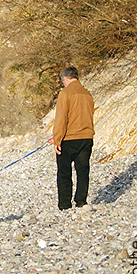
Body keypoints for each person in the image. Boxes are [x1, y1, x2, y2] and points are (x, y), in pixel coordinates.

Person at [49, 66, 95, 210]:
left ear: (66, 79)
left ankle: (65, 205)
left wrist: (57, 139)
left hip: (69, 139)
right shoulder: (87, 94)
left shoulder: (65, 93)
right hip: (86, 137)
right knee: (83, 171)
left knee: (64, 173)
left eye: (63, 81)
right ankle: (81, 201)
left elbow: (61, 118)